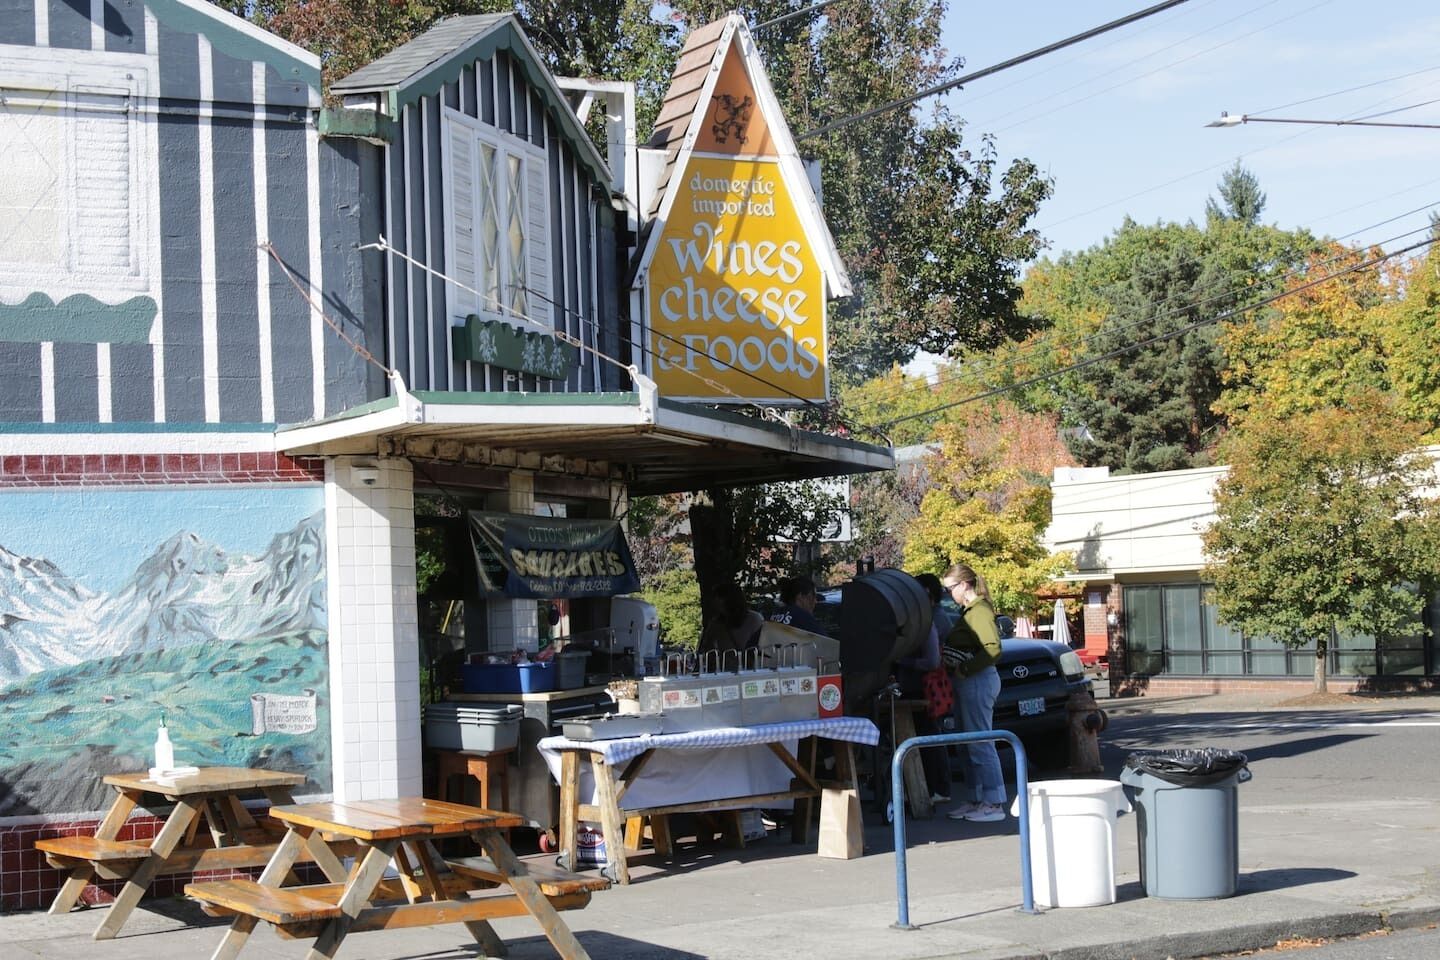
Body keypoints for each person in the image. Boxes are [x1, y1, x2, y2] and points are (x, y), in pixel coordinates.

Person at [940, 563, 1008, 823]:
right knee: (969, 745)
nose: (949, 594)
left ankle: (994, 803)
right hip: (970, 680)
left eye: (951, 588)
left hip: (977, 680)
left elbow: (993, 648)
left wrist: (964, 669)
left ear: (964, 585)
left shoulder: (978, 611)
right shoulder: (970, 611)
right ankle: (977, 799)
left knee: (980, 743)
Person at [895, 572, 953, 803]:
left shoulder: (931, 621)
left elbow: (932, 660)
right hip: (922, 686)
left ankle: (938, 788)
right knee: (928, 737)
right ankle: (932, 787)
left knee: (930, 738)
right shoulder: (929, 618)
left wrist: (904, 662)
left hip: (926, 687)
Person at [698, 581, 764, 658]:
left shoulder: (754, 619)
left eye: (719, 597)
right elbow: (707, 649)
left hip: (745, 667)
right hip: (730, 668)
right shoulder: (715, 624)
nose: (715, 601)